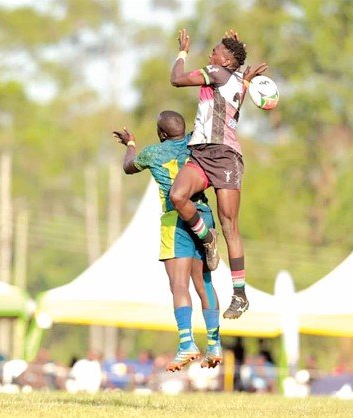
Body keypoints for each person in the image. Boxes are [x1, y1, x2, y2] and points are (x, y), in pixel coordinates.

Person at [169, 28, 268, 320]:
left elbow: (176, 79)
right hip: (200, 152)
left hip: (225, 157)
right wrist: (237, 50)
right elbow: (235, 87)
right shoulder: (237, 79)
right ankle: (206, 237)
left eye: (215, 51)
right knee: (179, 195)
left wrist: (182, 52)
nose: (211, 54)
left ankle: (239, 294)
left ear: (224, 61)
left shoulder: (218, 73)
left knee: (230, 225)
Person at [113, 110, 222, 371]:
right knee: (204, 282)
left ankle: (187, 343)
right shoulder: (194, 143)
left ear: (161, 134)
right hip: (202, 215)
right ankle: (215, 343)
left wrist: (130, 144)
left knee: (179, 284)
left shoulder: (153, 153)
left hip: (176, 221)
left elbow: (128, 167)